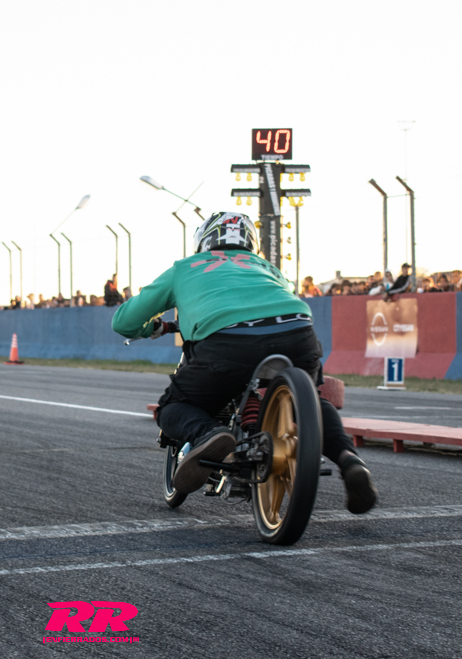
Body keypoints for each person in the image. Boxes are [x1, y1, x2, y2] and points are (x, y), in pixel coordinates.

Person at [110, 212, 377, 514]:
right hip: (298, 333)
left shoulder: (185, 268)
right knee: (310, 402)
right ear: (251, 242)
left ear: (204, 240)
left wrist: (151, 327)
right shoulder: (266, 267)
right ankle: (349, 459)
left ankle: (209, 434)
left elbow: (124, 321)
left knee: (172, 409)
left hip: (228, 343)